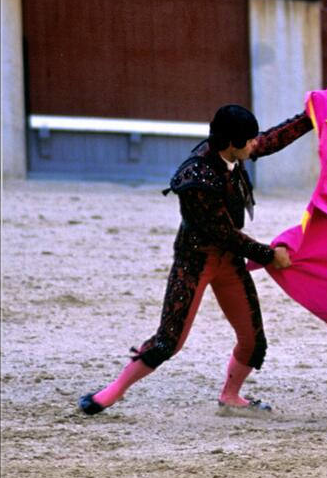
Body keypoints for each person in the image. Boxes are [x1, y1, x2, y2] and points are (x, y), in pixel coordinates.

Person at [78, 105, 313, 415]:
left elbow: (271, 139)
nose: (256, 144)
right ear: (231, 144)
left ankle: (230, 396)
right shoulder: (196, 177)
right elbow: (224, 234)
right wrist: (269, 256)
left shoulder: (229, 152)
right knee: (168, 341)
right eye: (249, 141)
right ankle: (112, 392)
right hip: (196, 261)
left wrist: (312, 115)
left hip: (228, 262)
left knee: (254, 341)